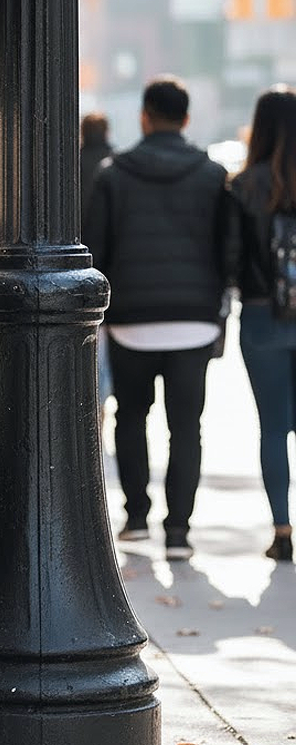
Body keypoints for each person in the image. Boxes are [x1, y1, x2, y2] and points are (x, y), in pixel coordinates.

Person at [84, 77, 230, 561]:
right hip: (194, 320)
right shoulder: (212, 175)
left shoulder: (113, 174)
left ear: (145, 117)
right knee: (187, 426)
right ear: (186, 120)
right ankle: (179, 532)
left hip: (131, 319)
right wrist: (218, 308)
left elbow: (95, 249)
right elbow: (226, 252)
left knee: (131, 416)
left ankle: (137, 517)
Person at [226, 85, 296, 562]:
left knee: (272, 428)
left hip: (260, 315)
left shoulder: (241, 186)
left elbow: (230, 260)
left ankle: (282, 529)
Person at [80, 112, 114, 425]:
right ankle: (101, 406)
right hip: (113, 272)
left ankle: (95, 408)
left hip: (79, 267)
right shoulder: (116, 165)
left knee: (94, 350)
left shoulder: (70, 165)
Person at [80, 111, 112, 215]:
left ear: (82, 132)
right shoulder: (116, 161)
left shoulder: (73, 161)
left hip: (79, 225)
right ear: (106, 132)